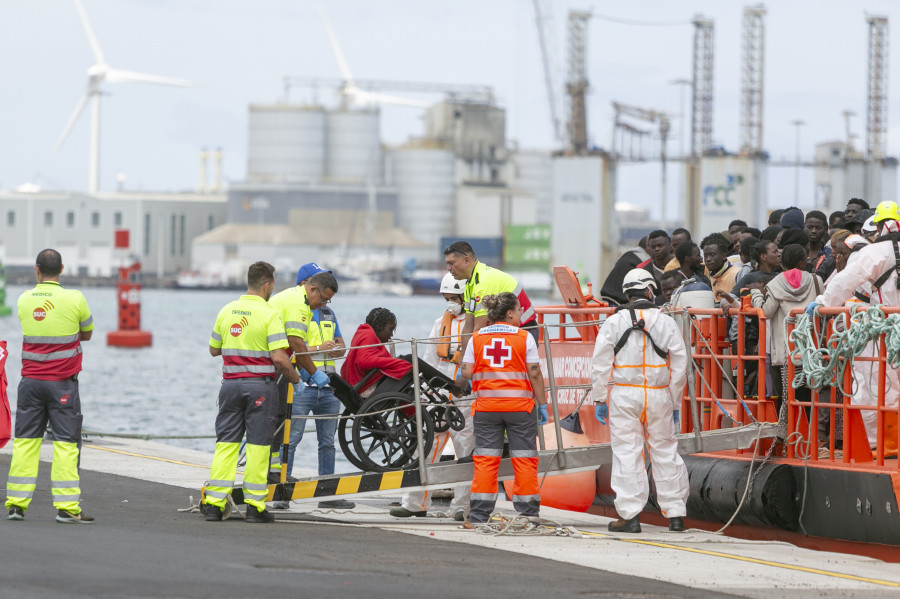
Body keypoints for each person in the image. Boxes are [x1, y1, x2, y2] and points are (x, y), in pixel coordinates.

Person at [590, 269, 689, 533]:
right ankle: (676, 515)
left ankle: (631, 517)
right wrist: (675, 400)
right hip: (659, 394)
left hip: (625, 393)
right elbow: (680, 363)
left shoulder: (613, 322)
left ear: (626, 293)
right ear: (649, 291)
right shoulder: (665, 321)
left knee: (627, 453)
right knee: (666, 452)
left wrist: (600, 397)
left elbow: (600, 362)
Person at [203, 262, 300, 524]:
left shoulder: (227, 310)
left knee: (226, 444)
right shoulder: (270, 314)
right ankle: (255, 508)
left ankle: (213, 504)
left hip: (230, 386)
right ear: (267, 285)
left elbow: (214, 349)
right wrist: (295, 377)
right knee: (258, 447)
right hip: (260, 387)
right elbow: (279, 357)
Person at [5, 249, 95, 523]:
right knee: (66, 444)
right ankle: (67, 508)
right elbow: (87, 333)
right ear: (62, 269)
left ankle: (17, 505)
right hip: (62, 385)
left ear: (36, 270)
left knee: (25, 443)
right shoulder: (75, 298)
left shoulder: (23, 300)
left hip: (30, 383)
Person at [391, 273, 476, 521]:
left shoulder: (478, 324)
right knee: (425, 447)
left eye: (454, 297)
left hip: (466, 396)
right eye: (447, 298)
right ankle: (415, 503)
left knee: (465, 449)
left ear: (465, 296)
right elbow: (429, 359)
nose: (450, 302)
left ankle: (462, 506)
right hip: (439, 392)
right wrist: (426, 390)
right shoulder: (441, 322)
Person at [460, 292, 548, 525]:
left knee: (486, 460)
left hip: (486, 408)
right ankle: (528, 514)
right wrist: (543, 403)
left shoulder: (476, 338)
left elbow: (466, 372)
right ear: (509, 313)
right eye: (519, 310)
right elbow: (535, 372)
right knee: (525, 459)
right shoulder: (524, 337)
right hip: (520, 408)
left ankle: (479, 515)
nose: (521, 314)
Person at [283, 263, 354, 510]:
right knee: (291, 439)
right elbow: (293, 347)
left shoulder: (328, 314)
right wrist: (318, 349)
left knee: (328, 442)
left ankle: (327, 492)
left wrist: (336, 347)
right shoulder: (296, 310)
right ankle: (282, 492)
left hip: (328, 386)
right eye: (323, 295)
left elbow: (343, 346)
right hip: (304, 383)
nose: (324, 300)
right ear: (308, 285)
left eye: (328, 297)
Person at [267, 270, 339, 487]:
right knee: (281, 423)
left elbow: (295, 348)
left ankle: (275, 472)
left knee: (281, 422)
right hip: (274, 367)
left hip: (280, 366)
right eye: (323, 298)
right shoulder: (299, 304)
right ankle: (274, 474)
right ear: (312, 288)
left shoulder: (300, 301)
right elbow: (297, 343)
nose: (324, 303)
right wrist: (312, 374)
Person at [751, 245, 822, 407]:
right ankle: (810, 429)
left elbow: (765, 312)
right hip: (811, 349)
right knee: (809, 396)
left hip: (785, 351)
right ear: (803, 262)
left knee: (787, 397)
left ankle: (789, 430)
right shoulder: (815, 281)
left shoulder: (776, 283)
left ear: (782, 264)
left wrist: (755, 293)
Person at [443, 241, 538, 349]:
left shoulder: (484, 281)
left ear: (466, 260)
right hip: (506, 332)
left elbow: (479, 331)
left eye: (451, 263)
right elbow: (468, 329)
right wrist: (462, 364)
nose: (448, 268)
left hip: (525, 331)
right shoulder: (470, 284)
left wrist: (470, 363)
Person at [341, 307, 412, 394]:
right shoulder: (368, 334)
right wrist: (396, 362)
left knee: (407, 360)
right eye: (390, 329)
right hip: (363, 387)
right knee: (410, 361)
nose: (392, 334)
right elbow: (364, 360)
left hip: (360, 383)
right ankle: (433, 381)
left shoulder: (362, 332)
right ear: (379, 326)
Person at [601, 238, 651, 305]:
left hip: (610, 296)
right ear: (647, 247)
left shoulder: (627, 255)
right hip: (621, 299)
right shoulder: (643, 260)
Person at [701, 233, 738, 301]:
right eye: (705, 256)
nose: (708, 259)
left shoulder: (736, 274)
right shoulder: (710, 277)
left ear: (723, 256)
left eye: (712, 255)